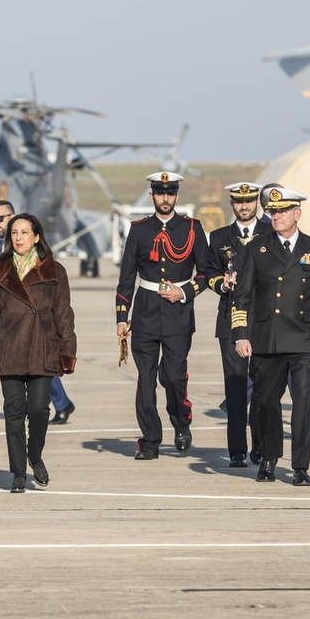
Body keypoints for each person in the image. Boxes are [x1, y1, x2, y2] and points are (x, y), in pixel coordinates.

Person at [231, 184, 310, 484]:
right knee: (267, 403)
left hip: (304, 339)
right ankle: (269, 459)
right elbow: (243, 296)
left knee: (304, 404)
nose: (276, 216)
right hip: (267, 339)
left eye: (282, 211)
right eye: (272, 211)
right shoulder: (257, 248)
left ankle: (301, 467)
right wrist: (241, 334)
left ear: (297, 213)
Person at [0, 214, 77, 492]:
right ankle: (18, 472)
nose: (18, 238)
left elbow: (64, 315)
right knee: (13, 412)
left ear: (37, 237)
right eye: (14, 233)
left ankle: (35, 454)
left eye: (24, 233)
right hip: (10, 349)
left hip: (43, 348)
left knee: (40, 409)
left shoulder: (55, 271)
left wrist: (67, 351)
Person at [116, 172, 218, 460]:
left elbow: (207, 272)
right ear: (152, 196)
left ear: (176, 196)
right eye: (160, 193)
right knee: (146, 381)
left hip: (178, 313)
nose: (165, 198)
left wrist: (184, 292)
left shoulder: (192, 228)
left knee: (173, 378)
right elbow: (126, 278)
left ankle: (181, 421)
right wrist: (122, 319)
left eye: (170, 193)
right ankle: (150, 441)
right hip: (146, 310)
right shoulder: (139, 230)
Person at [0, 200, 75, 426]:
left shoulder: (36, 253)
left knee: (41, 366)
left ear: (14, 217)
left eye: (1, 218)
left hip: (29, 320)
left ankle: (62, 402)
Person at [207, 182, 264, 467]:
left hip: (264, 320)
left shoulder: (271, 233)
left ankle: (260, 446)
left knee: (264, 388)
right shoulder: (219, 237)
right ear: (232, 205)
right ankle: (237, 450)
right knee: (236, 387)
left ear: (257, 202)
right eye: (239, 202)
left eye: (249, 201)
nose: (244, 206)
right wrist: (221, 283)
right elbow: (207, 272)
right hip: (230, 319)